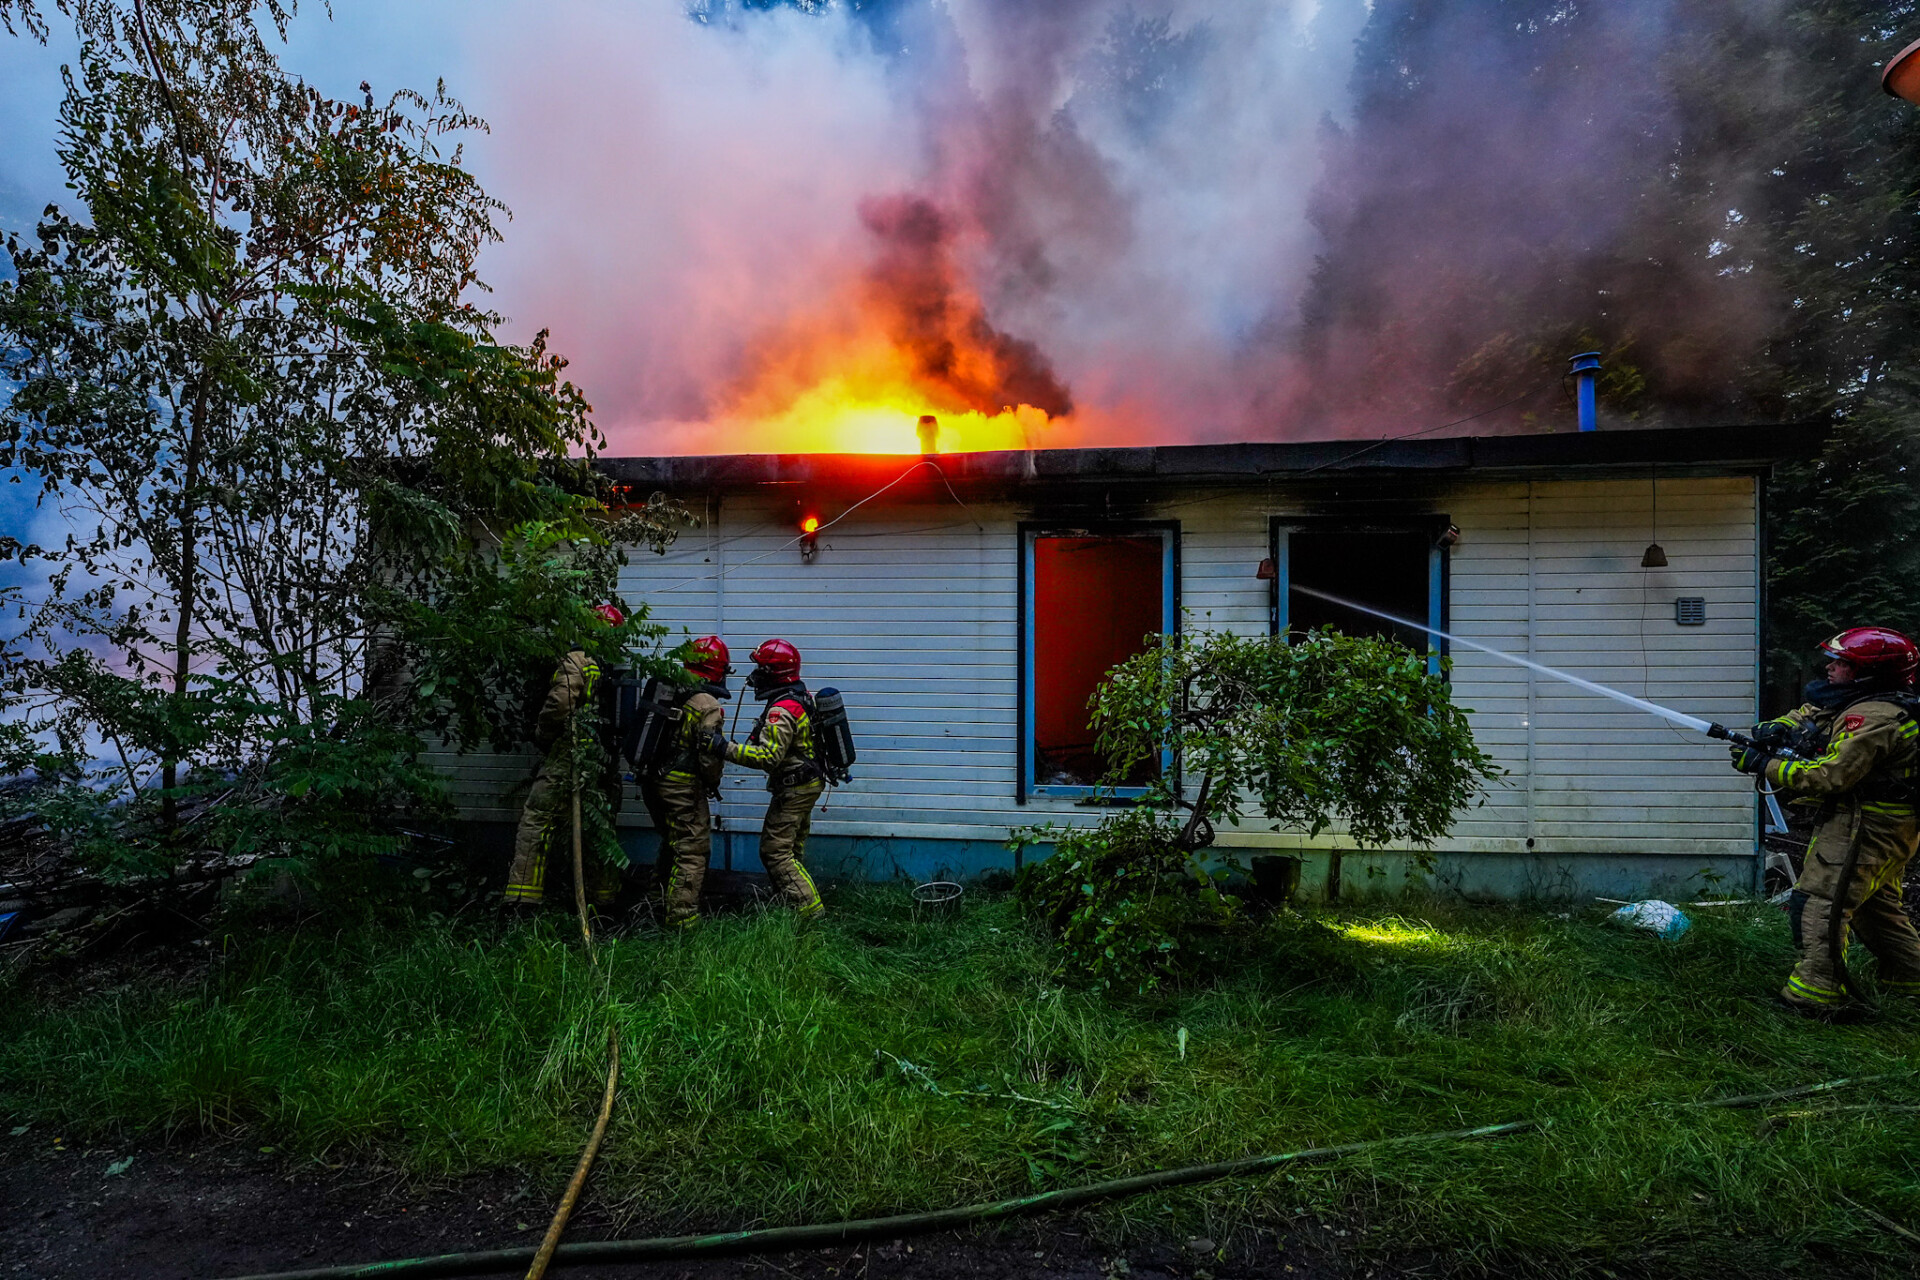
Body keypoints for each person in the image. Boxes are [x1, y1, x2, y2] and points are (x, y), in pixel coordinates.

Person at [1731, 627, 1920, 1017]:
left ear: (1869, 674)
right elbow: (1816, 712)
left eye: (1843, 663)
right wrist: (1782, 726)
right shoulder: (1870, 699)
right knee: (1876, 908)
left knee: (1819, 902)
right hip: (1887, 828)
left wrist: (1765, 764)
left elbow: (1830, 776)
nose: (1831, 667)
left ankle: (1815, 993)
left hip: (1865, 827)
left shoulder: (1875, 718)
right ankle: (1909, 977)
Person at [503, 604, 628, 913]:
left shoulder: (578, 660)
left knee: (538, 819)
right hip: (604, 761)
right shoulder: (615, 666)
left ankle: (522, 902)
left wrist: (545, 739)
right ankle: (606, 903)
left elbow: (559, 704)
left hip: (570, 754)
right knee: (602, 831)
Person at [711, 638, 826, 920]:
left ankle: (810, 914)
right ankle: (791, 906)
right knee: (791, 849)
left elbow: (767, 757)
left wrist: (722, 748)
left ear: (773, 673)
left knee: (775, 851)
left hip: (795, 788)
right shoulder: (800, 697)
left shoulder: (781, 710)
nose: (754, 677)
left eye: (761, 669)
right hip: (808, 782)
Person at [645, 635, 732, 929]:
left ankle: (657, 901)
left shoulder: (670, 688)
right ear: (716, 668)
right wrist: (712, 781)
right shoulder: (707, 705)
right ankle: (682, 921)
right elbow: (710, 757)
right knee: (692, 849)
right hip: (682, 787)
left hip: (652, 782)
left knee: (672, 843)